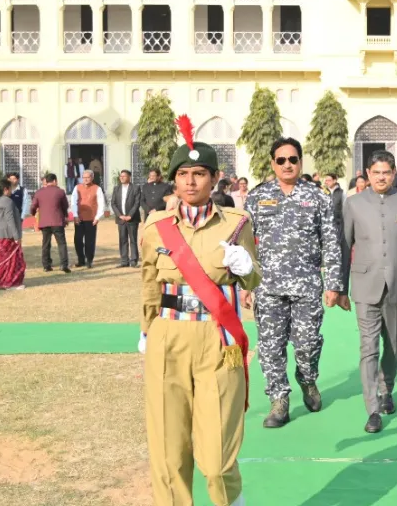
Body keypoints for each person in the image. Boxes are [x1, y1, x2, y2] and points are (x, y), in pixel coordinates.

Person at [139, 116, 259, 506]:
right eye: (184, 174)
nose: (191, 181)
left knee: (218, 453)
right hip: (168, 336)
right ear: (174, 180)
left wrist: (247, 269)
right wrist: (146, 329)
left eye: (200, 174)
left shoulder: (237, 223)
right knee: (168, 447)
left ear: (215, 179)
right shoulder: (155, 227)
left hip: (216, 340)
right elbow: (149, 282)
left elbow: (253, 281)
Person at [246, 137, 345, 428]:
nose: (287, 164)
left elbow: (331, 241)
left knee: (308, 344)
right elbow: (244, 244)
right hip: (268, 287)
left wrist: (334, 284)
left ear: (300, 162)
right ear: (272, 164)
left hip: (306, 286)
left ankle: (308, 378)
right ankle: (279, 400)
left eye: (293, 159)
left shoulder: (317, 197)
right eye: (281, 160)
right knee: (270, 346)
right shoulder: (257, 197)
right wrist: (246, 285)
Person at [343, 149, 397, 434]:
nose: (381, 177)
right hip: (365, 285)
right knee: (369, 347)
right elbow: (345, 247)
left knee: (393, 345)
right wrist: (340, 287)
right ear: (367, 174)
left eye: (386, 172)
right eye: (376, 172)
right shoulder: (354, 203)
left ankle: (386, 389)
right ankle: (372, 409)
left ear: (394, 174)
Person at [0, 181, 27, 289]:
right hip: (7, 235)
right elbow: (10, 220)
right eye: (11, 189)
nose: (12, 191)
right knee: (10, 260)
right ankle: (9, 282)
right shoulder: (7, 201)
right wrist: (17, 236)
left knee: (0, 259)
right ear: (5, 189)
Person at [30, 173, 71, 273]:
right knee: (61, 243)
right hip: (57, 221)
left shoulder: (39, 192)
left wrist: (33, 213)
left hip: (45, 222)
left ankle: (46, 265)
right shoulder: (60, 192)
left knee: (46, 244)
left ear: (46, 181)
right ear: (54, 181)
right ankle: (64, 264)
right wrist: (65, 216)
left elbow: (33, 206)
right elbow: (65, 206)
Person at [70, 169, 106, 268]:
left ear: (92, 178)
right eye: (84, 177)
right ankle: (81, 260)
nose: (85, 179)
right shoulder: (77, 187)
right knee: (77, 240)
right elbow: (73, 202)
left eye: (88, 177)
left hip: (91, 219)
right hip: (79, 218)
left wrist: (98, 217)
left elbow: (101, 203)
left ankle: (89, 260)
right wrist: (75, 215)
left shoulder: (97, 188)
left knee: (90, 241)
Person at [112, 169, 142, 268]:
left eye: (124, 176)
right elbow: (113, 203)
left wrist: (130, 215)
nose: (122, 177)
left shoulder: (135, 188)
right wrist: (120, 215)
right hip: (121, 218)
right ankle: (124, 260)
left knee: (133, 239)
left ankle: (133, 260)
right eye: (121, 176)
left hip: (132, 219)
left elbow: (137, 203)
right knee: (122, 239)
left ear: (129, 177)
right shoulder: (116, 188)